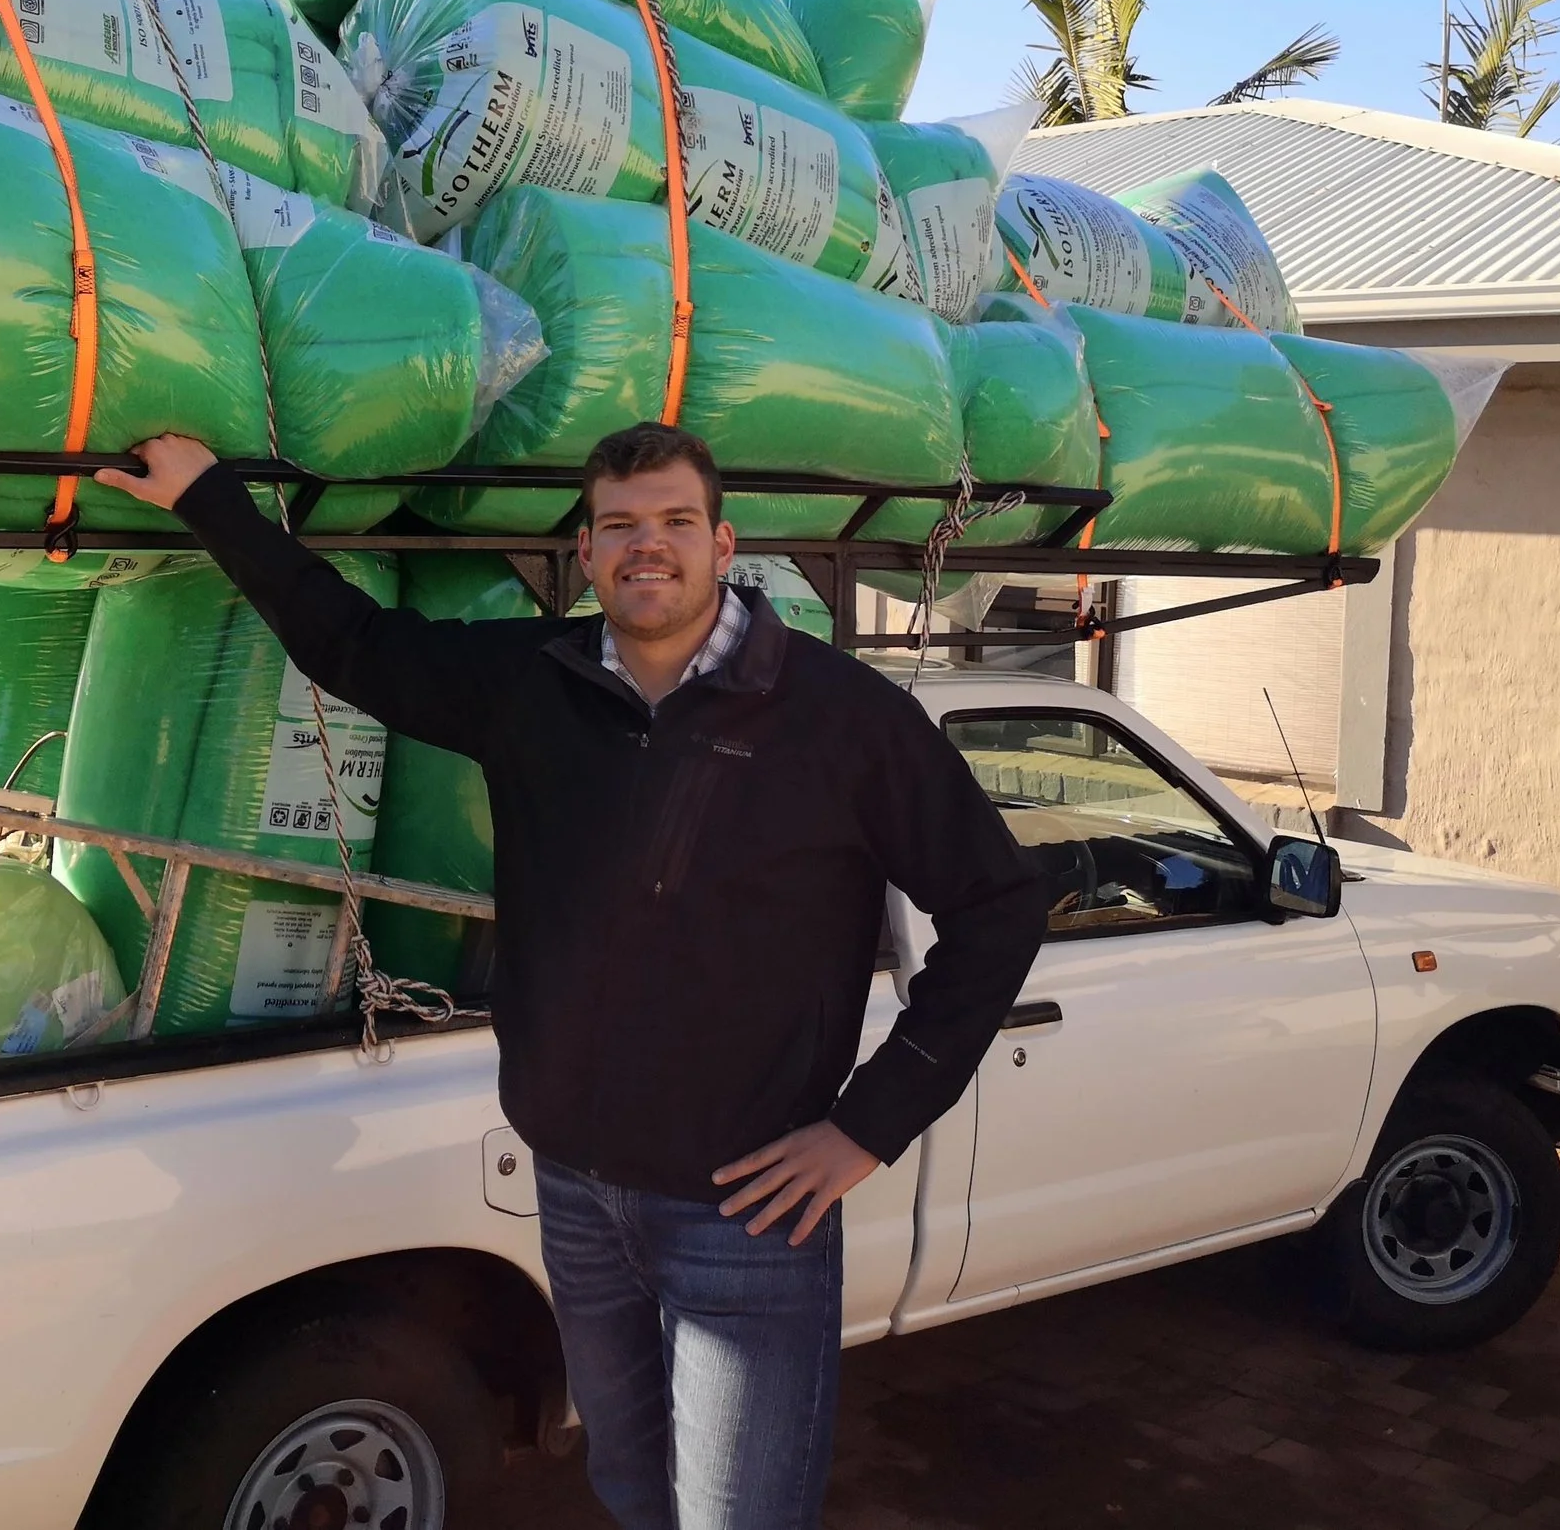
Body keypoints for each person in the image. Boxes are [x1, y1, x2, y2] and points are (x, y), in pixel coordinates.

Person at [97, 420, 1048, 1530]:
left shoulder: (840, 715)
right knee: (630, 1491)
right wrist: (211, 500)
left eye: (676, 522)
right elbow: (348, 642)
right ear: (588, 552)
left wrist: (866, 1125)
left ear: (723, 542)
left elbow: (996, 905)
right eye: (620, 527)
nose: (649, 546)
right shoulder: (528, 683)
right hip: (577, 1195)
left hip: (745, 1213)